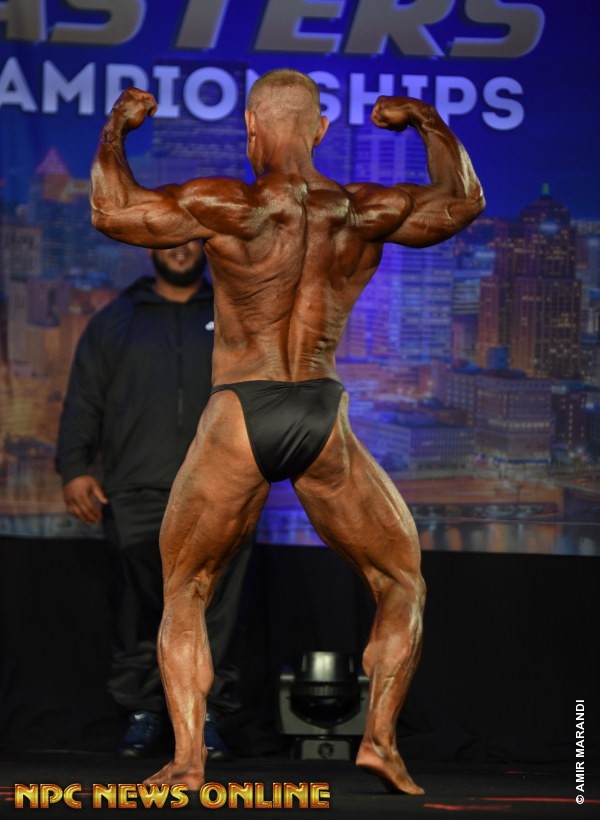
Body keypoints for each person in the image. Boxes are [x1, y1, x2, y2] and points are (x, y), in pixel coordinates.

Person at [89, 70, 485, 794]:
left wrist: (117, 125)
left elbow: (111, 212)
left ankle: (187, 761)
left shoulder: (231, 204)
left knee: (187, 587)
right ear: (321, 129)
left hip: (240, 410)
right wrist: (426, 119)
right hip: (319, 410)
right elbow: (462, 202)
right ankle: (381, 741)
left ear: (250, 128)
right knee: (400, 580)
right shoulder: (360, 210)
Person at [55, 241, 252, 759]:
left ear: (204, 247)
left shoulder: (232, 316)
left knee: (218, 610)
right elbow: (84, 398)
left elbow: (263, 396)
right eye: (169, 241)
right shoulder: (114, 320)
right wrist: (74, 469)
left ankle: (208, 716)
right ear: (151, 249)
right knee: (138, 610)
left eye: (190, 239)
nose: (180, 250)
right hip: (137, 490)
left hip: (220, 489)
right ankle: (143, 712)